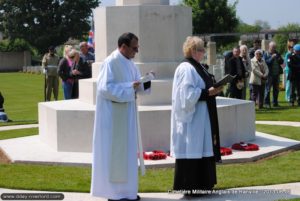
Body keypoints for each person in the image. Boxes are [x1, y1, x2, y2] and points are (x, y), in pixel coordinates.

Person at [91, 32, 151, 201]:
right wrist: (129, 86)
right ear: (123, 46)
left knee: (128, 153)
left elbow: (135, 86)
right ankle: (115, 194)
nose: (136, 51)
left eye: (137, 47)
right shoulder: (111, 62)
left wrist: (145, 81)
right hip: (114, 118)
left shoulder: (131, 64)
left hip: (128, 115)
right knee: (117, 154)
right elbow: (104, 88)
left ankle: (128, 192)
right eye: (134, 48)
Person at [170, 36, 223, 197]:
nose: (203, 53)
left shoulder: (198, 66)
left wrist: (214, 89)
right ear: (193, 51)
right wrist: (208, 92)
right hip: (193, 119)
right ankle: (192, 186)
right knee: (193, 148)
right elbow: (186, 95)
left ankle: (203, 184)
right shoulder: (186, 68)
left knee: (202, 148)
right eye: (201, 50)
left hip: (202, 117)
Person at [263, 41, 284, 107]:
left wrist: (279, 58)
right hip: (269, 75)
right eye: (273, 47)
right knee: (268, 89)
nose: (274, 49)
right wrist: (272, 57)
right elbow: (266, 62)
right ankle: (267, 103)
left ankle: (275, 102)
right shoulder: (265, 54)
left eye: (275, 47)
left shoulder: (277, 53)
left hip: (277, 74)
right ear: (269, 47)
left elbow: (282, 62)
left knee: (276, 90)